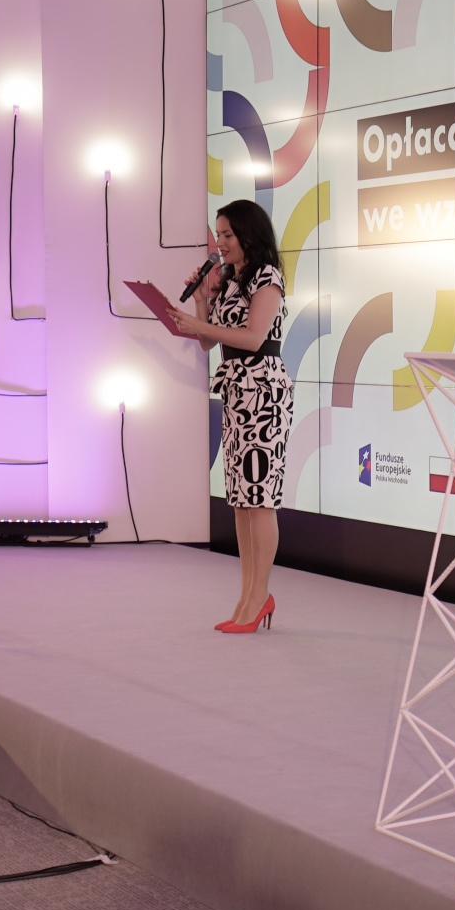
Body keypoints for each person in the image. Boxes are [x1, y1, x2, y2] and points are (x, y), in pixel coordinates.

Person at [166, 200, 291, 633]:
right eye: (218, 235)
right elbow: (208, 343)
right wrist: (203, 301)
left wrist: (200, 325)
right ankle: (247, 595)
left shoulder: (267, 277)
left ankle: (259, 596)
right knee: (240, 499)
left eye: (227, 235)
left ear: (248, 236)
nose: (220, 243)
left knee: (260, 498)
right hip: (236, 390)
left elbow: (254, 338)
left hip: (264, 393)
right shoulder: (231, 280)